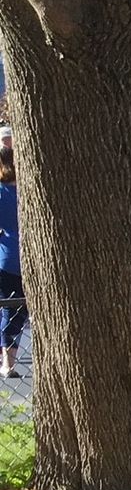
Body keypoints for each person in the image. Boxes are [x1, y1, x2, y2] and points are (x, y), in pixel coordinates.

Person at [0, 147, 24, 379]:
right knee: (18, 311)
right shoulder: (26, 192)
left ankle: (7, 362)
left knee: (8, 308)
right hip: (24, 258)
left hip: (6, 257)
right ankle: (8, 359)